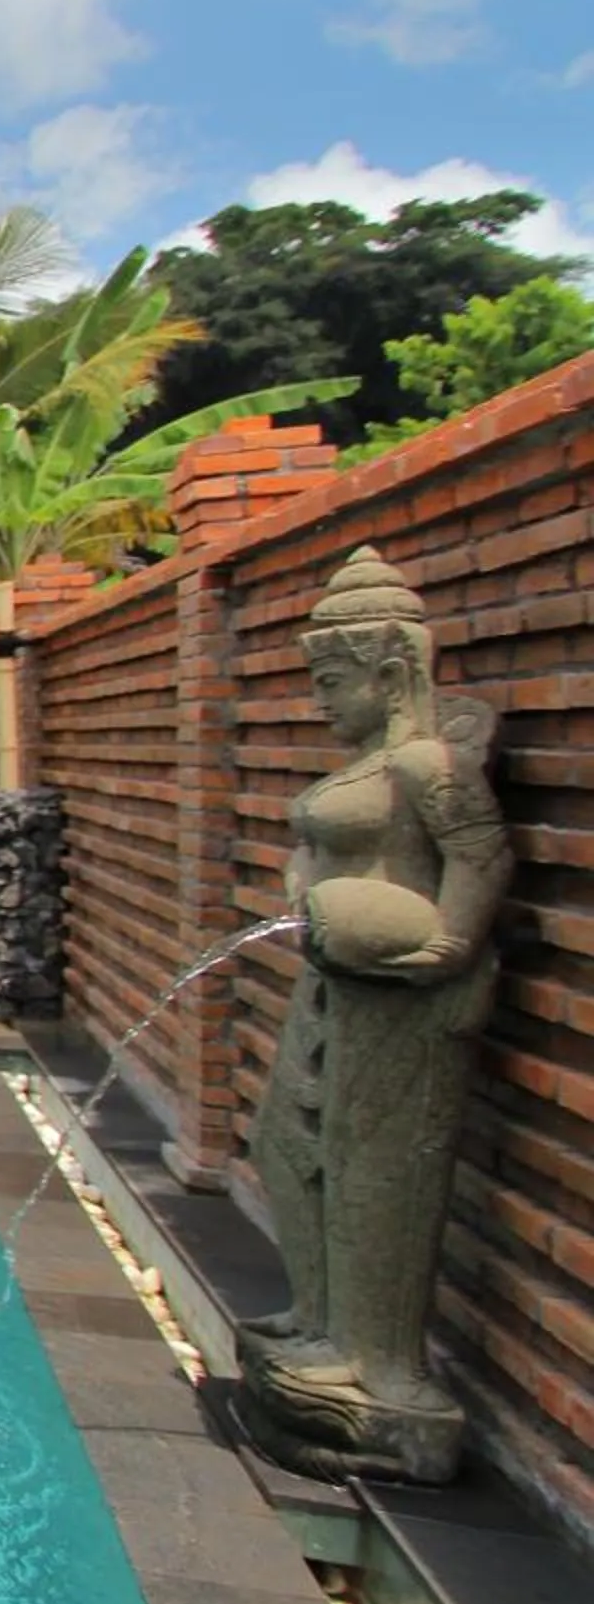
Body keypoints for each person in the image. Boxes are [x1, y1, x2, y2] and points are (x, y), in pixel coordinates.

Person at [239, 549, 511, 1481]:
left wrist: (448, 944)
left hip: (400, 999)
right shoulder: (371, 765)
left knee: (374, 1171)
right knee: (292, 1148)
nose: (320, 699)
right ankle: (319, 1321)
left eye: (331, 680)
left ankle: (378, 1366)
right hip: (338, 990)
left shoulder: (428, 762)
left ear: (391, 672)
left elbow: (481, 856)